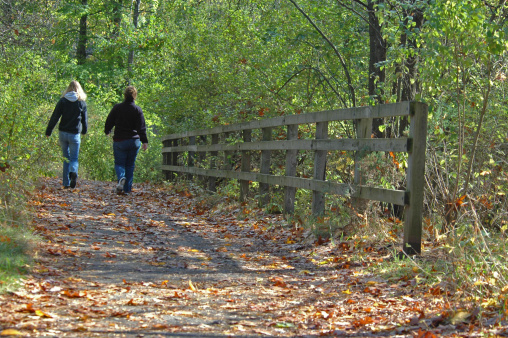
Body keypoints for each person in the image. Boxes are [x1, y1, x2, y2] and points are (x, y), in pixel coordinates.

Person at [104, 86, 148, 194]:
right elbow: (141, 127)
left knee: (119, 163)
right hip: (134, 141)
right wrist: (144, 141)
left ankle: (121, 178)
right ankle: (127, 189)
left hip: (120, 140)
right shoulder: (137, 109)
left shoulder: (117, 107)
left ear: (124, 95)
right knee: (130, 165)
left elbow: (109, 120)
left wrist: (107, 131)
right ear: (135, 96)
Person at [45, 80, 88, 189]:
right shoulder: (81, 102)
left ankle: (66, 183)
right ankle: (73, 172)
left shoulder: (62, 101)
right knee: (74, 158)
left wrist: (48, 131)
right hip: (74, 134)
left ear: (68, 88)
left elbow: (55, 116)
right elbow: (84, 119)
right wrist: (84, 131)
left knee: (66, 158)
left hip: (63, 133)